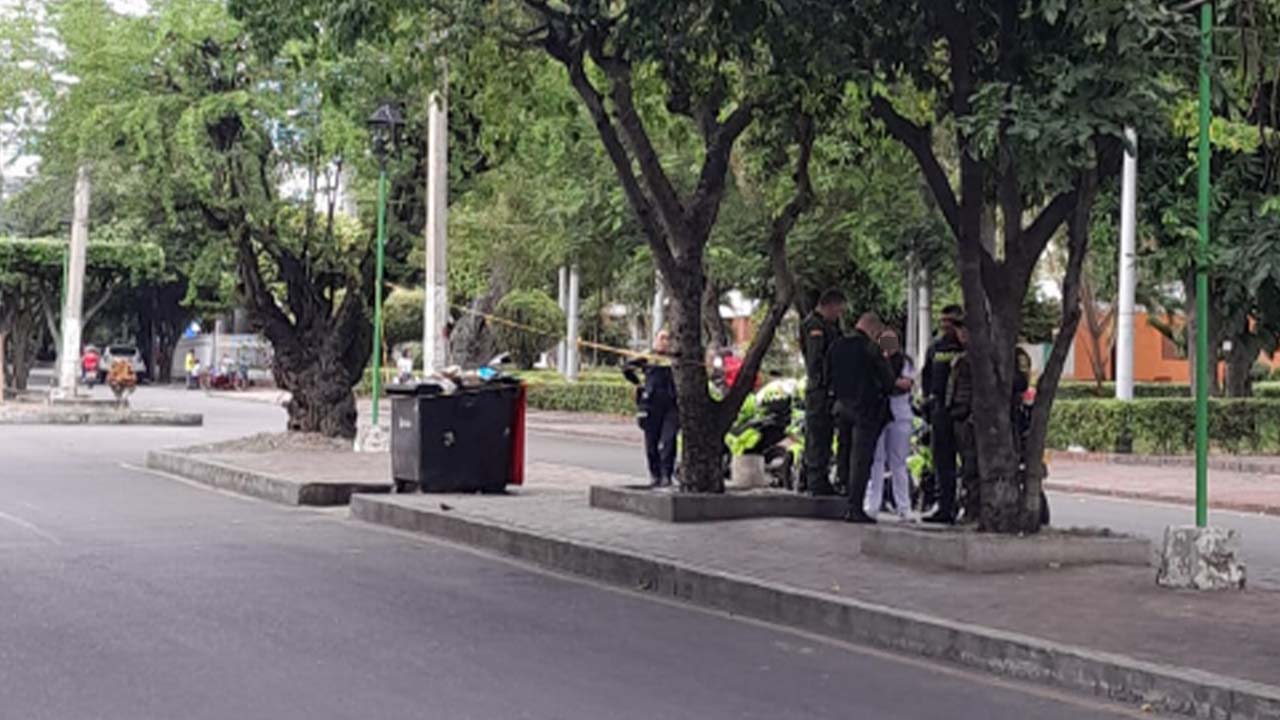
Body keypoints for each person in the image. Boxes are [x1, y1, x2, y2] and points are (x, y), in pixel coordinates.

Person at [828, 312, 896, 524]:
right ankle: (855, 507)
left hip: (842, 406)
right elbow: (888, 381)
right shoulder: (871, 348)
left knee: (844, 454)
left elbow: (826, 374)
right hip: (866, 409)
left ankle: (843, 498)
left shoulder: (837, 345)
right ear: (873, 329)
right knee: (861, 459)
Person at [863, 328, 915, 521]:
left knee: (898, 462)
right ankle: (872, 505)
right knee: (876, 461)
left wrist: (889, 383)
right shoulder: (874, 360)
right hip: (878, 413)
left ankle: (904, 507)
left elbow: (906, 384)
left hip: (900, 414)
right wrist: (893, 383)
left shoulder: (905, 361)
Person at [922, 305, 965, 524]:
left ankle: (970, 505)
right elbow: (927, 378)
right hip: (940, 411)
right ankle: (945, 507)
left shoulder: (968, 346)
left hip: (964, 412)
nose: (946, 326)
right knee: (942, 461)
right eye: (944, 321)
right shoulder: (936, 348)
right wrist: (927, 404)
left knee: (969, 462)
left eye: (952, 321)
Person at [800, 289, 846, 496]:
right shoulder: (815, 326)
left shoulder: (831, 326)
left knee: (825, 435)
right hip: (820, 391)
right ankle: (815, 480)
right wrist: (826, 385)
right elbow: (816, 361)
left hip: (828, 389)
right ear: (830, 305)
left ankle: (819, 478)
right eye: (838, 310)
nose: (839, 315)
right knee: (817, 435)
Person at [623, 330, 679, 488]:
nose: (664, 342)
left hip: (671, 405)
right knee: (651, 442)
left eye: (668, 339)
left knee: (669, 440)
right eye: (662, 338)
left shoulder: (674, 358)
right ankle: (655, 474)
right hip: (651, 404)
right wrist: (639, 384)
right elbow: (627, 368)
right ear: (655, 340)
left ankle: (666, 474)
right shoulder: (648, 357)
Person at [945, 323, 979, 523]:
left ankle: (973, 510)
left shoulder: (977, 358)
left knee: (971, 466)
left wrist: (970, 413)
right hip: (959, 415)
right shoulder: (961, 358)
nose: (961, 334)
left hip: (969, 418)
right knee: (965, 465)